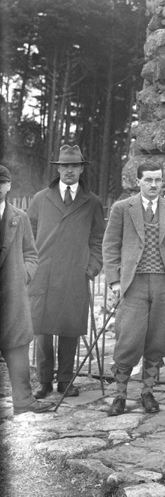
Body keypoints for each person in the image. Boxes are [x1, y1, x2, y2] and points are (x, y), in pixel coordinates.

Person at [102, 162, 165, 415]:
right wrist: (115, 282)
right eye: (148, 180)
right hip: (134, 284)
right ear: (138, 181)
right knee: (128, 338)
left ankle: (148, 392)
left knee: (158, 340)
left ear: (163, 182)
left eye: (158, 180)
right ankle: (120, 395)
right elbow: (110, 246)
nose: (153, 185)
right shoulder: (122, 208)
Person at [27, 145, 104, 399]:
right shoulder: (41, 199)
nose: (69, 171)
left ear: (81, 169)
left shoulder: (91, 201)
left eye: (74, 166)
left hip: (75, 274)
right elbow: (27, 236)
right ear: (58, 168)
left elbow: (97, 238)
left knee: (70, 328)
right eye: (64, 166)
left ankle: (66, 381)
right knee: (43, 330)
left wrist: (91, 267)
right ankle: (44, 381)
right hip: (44, 273)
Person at [0, 164, 55, 415]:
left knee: (17, 347)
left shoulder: (18, 217)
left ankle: (23, 400)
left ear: (9, 186)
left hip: (12, 296)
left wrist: (24, 275)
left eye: (2, 182)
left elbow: (32, 254)